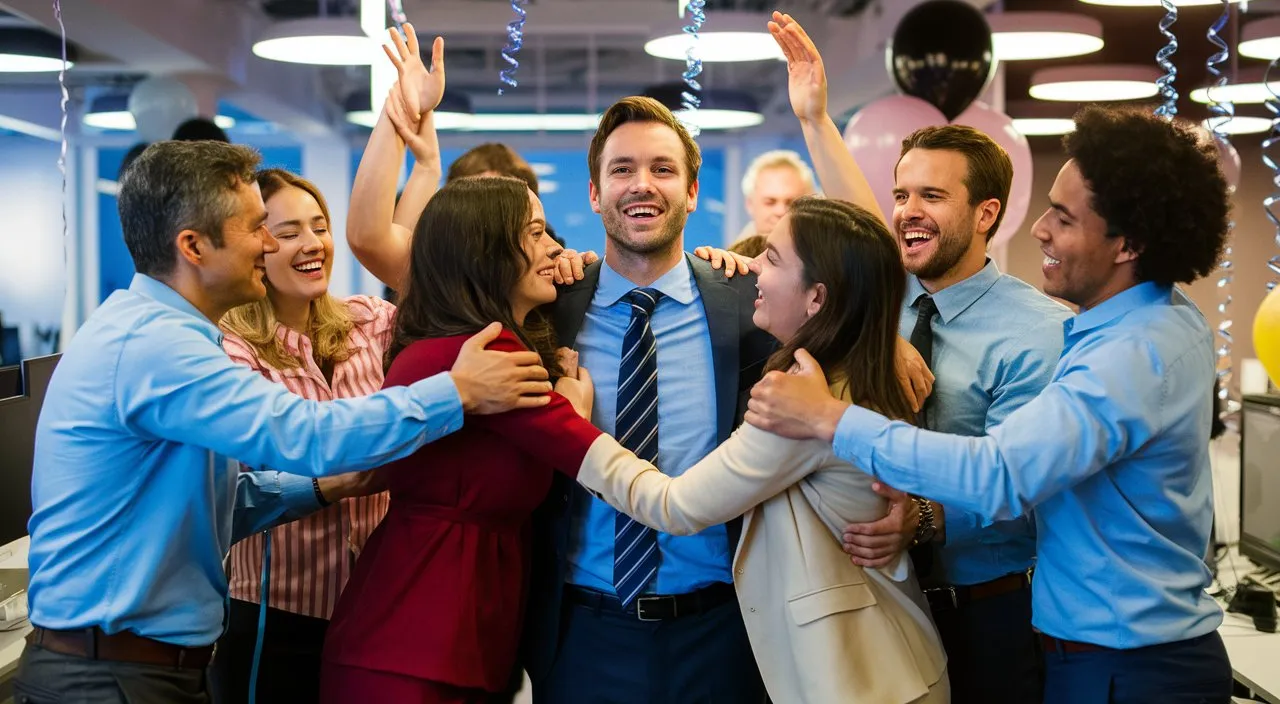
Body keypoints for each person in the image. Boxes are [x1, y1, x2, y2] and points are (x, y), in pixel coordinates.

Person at [15, 140, 551, 704]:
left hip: (144, 667)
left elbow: (221, 502)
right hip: (110, 677)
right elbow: (303, 434)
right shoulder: (155, 346)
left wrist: (323, 490)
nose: (271, 244)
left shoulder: (163, 333)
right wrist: (457, 391)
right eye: (258, 228)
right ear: (193, 246)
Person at [747, 101, 1234, 704]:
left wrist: (829, 418)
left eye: (1063, 216)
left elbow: (1000, 474)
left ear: (1128, 243)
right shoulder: (1158, 317)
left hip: (1121, 665)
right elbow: (868, 233)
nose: (1039, 229)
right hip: (1104, 653)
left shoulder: (1126, 357)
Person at [767, 14, 1070, 702]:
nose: (908, 212)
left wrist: (925, 518)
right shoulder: (891, 300)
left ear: (987, 213)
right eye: (902, 194)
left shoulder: (1041, 332)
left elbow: (1030, 485)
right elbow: (860, 221)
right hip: (884, 601)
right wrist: (814, 119)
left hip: (992, 615)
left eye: (932, 196)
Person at [572, 196, 949, 703]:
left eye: (770, 260)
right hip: (885, 662)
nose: (751, 273)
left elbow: (674, 505)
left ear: (817, 299)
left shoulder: (805, 401)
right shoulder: (859, 369)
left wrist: (575, 430)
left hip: (858, 679)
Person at [211, 169, 398, 703]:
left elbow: (438, 288)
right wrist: (341, 476)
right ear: (257, 246)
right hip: (278, 620)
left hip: (377, 608)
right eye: (289, 232)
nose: (312, 244)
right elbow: (244, 480)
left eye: (320, 227)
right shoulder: (231, 351)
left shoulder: (372, 322)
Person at [734, 148, 817, 244]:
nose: (780, 211)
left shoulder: (830, 255)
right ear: (750, 204)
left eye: (791, 203)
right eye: (770, 202)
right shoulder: (726, 257)